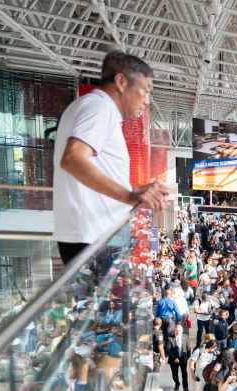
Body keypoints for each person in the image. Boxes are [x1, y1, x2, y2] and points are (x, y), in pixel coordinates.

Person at [53, 51, 167, 264]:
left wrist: (135, 191)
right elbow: (73, 159)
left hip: (93, 237)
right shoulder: (99, 107)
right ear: (122, 81)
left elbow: (90, 168)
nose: (147, 101)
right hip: (91, 239)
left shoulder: (94, 107)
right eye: (145, 90)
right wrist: (128, 196)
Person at [166, 323, 190, 391]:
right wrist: (175, 358)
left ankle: (185, 387)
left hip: (183, 358)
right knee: (174, 374)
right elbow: (168, 349)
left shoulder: (185, 337)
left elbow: (188, 348)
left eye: (179, 330)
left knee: (184, 373)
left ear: (182, 331)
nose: (177, 332)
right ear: (174, 331)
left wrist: (188, 357)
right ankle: (177, 383)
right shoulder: (170, 338)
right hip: (173, 359)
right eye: (176, 330)